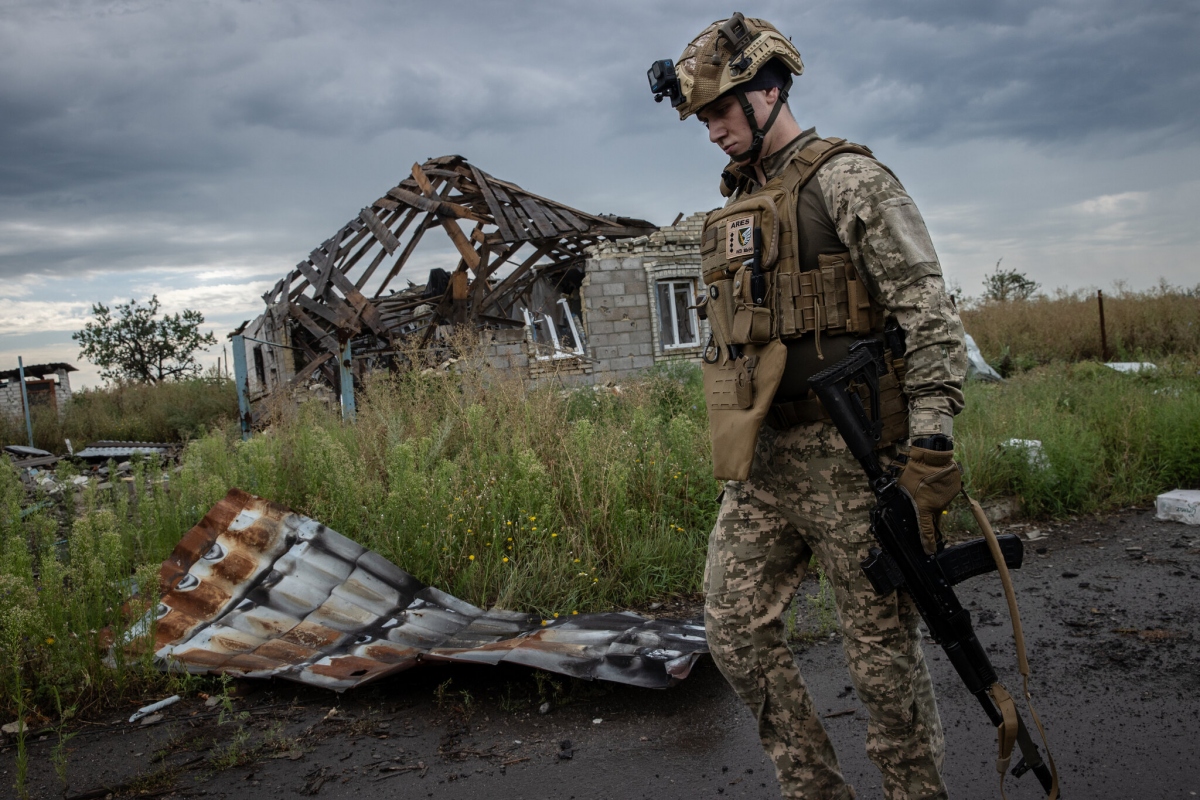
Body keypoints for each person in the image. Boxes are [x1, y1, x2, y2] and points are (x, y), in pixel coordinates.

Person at [649, 13, 968, 800]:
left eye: (722, 110)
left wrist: (929, 447)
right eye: (703, 118)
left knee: (881, 663)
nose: (713, 130)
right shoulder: (736, 208)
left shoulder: (849, 180)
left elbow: (929, 316)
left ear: (770, 89)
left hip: (856, 461)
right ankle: (815, 788)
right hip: (764, 463)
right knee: (731, 632)